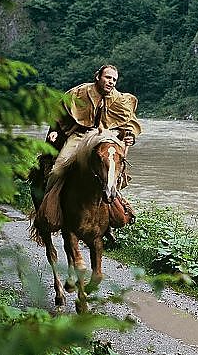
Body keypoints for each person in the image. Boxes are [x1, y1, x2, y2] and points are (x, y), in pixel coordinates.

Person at [29, 64, 142, 243]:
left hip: (105, 136)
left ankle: (108, 220)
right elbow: (59, 112)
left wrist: (130, 136)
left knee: (112, 171)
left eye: (114, 79)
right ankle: (49, 207)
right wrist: (54, 130)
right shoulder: (80, 92)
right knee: (58, 169)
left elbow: (130, 122)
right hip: (79, 135)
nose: (111, 82)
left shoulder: (120, 99)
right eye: (108, 77)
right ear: (98, 77)